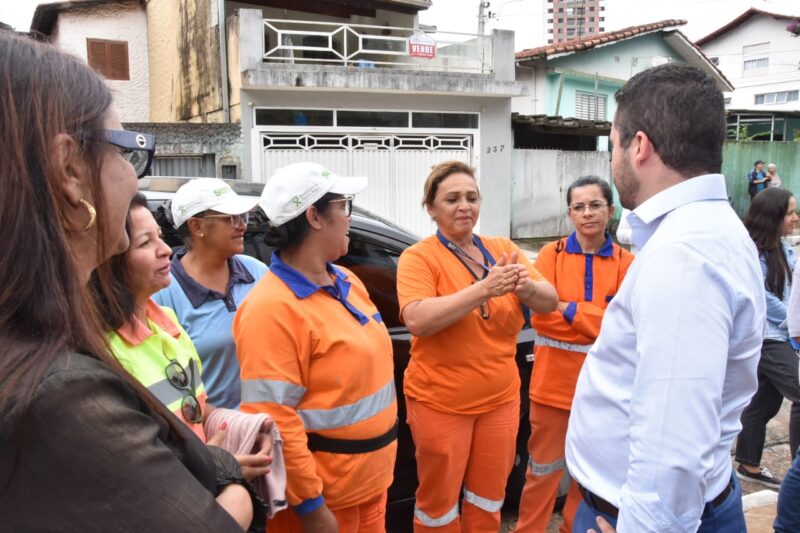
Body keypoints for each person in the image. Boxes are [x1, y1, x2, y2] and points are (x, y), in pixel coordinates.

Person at [0, 31, 252, 530]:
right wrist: (230, 477)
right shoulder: (58, 395)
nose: (134, 179)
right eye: (125, 150)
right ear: (71, 169)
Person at [566, 63, 766, 532]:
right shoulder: (703, 231)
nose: (611, 158)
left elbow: (672, 448)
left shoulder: (683, 255)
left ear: (639, 146)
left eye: (612, 142)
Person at [234, 162, 398, 533]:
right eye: (344, 206)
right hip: (326, 504)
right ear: (314, 216)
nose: (349, 218)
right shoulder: (270, 309)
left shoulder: (347, 279)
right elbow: (275, 418)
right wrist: (311, 507)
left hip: (370, 485)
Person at [396, 160, 558, 533]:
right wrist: (485, 288)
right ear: (431, 208)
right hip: (440, 404)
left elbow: (550, 301)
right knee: (438, 505)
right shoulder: (419, 257)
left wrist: (525, 287)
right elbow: (418, 318)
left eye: (471, 197)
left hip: (500, 401)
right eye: (451, 198)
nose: (464, 205)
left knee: (489, 497)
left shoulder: (501, 248)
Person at [91, 193, 275, 483]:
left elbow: (194, 409)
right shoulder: (101, 353)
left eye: (160, 237)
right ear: (106, 261)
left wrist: (244, 427)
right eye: (144, 243)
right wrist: (217, 469)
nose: (165, 250)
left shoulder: (165, 321)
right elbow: (140, 461)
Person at [515, 176, 634, 533]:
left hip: (601, 390)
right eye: (579, 207)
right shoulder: (551, 255)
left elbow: (620, 326)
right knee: (542, 471)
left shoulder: (627, 264)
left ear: (610, 211)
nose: (587, 213)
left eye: (595, 205)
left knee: (590, 477)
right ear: (569, 213)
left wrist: (565, 307)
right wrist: (590, 314)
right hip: (551, 387)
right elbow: (541, 316)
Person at [154, 178, 268, 409]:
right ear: (196, 227)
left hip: (266, 426)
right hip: (208, 436)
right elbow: (163, 386)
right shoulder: (163, 292)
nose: (242, 226)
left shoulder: (256, 272)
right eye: (230, 218)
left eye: (242, 217)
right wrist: (222, 424)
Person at [734, 187, 800, 488]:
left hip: (782, 335)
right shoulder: (751, 253)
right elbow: (762, 297)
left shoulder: (785, 250)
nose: (796, 218)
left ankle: (748, 464)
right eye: (790, 213)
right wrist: (793, 320)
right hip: (769, 337)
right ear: (773, 217)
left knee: (762, 404)